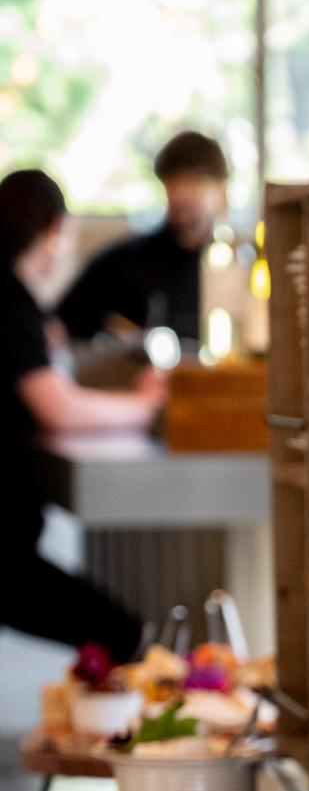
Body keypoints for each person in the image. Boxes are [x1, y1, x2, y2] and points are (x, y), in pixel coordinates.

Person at [0, 168, 165, 658]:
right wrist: (143, 405)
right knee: (124, 636)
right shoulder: (7, 300)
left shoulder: (15, 304)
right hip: (4, 557)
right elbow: (59, 408)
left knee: (118, 633)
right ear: (53, 230)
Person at [57, 130, 228, 345]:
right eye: (173, 183)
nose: (182, 195)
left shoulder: (235, 267)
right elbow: (61, 328)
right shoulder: (122, 264)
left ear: (222, 190)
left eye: (194, 182)